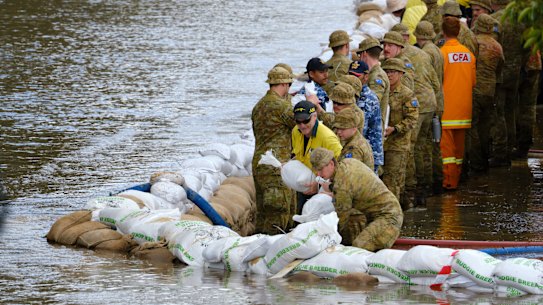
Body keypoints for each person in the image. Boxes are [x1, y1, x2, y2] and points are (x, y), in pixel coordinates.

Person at [310, 147, 403, 251]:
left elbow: (341, 220)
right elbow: (350, 184)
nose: (319, 174)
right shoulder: (347, 162)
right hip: (378, 214)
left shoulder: (342, 187)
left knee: (358, 247)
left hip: (389, 217)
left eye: (320, 169)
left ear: (331, 164)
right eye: (316, 170)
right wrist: (332, 187)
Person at [391, 23, 441, 207]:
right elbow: (436, 82)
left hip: (418, 105)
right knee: (426, 147)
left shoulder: (400, 60)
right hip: (430, 103)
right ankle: (427, 186)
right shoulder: (422, 53)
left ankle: (413, 191)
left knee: (410, 149)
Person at [251, 66, 297, 234]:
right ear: (285, 84)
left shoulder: (259, 106)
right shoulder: (280, 106)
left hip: (260, 162)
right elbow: (301, 123)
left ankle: (257, 249)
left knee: (263, 212)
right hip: (276, 165)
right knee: (279, 213)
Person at [490, 0, 530, 165]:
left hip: (499, 73)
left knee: (498, 112)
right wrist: (519, 63)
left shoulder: (494, 20)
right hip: (515, 72)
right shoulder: (520, 20)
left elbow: (491, 48)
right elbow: (528, 47)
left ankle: (500, 153)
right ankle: (510, 147)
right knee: (510, 111)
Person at [439, 16, 476, 190]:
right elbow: (473, 82)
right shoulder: (469, 55)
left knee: (447, 153)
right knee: (459, 152)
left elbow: (438, 81)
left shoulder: (442, 53)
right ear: (459, 31)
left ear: (442, 31)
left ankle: (449, 182)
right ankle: (457, 178)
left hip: (447, 110)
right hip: (464, 109)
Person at [291, 100, 342, 212]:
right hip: (303, 184)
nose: (302, 125)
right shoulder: (296, 131)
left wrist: (319, 184)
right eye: (298, 122)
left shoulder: (327, 137)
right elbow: (300, 155)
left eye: (306, 120)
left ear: (314, 116)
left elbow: (341, 166)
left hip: (322, 188)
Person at [381, 58, 419, 206]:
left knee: (393, 183)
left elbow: (412, 119)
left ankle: (393, 215)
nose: (389, 75)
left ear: (401, 74)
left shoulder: (407, 94)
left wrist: (395, 129)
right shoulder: (382, 92)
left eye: (393, 72)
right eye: (386, 71)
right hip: (382, 144)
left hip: (397, 145)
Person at [469, 14, 504, 173]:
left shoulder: (473, 42)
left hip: (474, 89)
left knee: (473, 127)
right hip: (490, 91)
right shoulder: (497, 46)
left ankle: (476, 163)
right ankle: (485, 158)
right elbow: (500, 68)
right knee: (485, 126)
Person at [414, 20, 445, 195]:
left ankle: (430, 182)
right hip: (438, 100)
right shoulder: (437, 50)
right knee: (434, 143)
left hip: (431, 102)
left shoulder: (425, 53)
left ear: (418, 36)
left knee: (426, 145)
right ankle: (437, 180)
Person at [348, 61, 384, 173]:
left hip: (369, 152)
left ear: (366, 77)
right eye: (350, 75)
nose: (353, 79)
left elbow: (360, 129)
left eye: (357, 76)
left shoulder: (368, 99)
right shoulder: (350, 94)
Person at [355, 37, 390, 128]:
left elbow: (372, 104)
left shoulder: (376, 77)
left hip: (372, 130)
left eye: (359, 55)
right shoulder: (373, 74)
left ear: (364, 54)